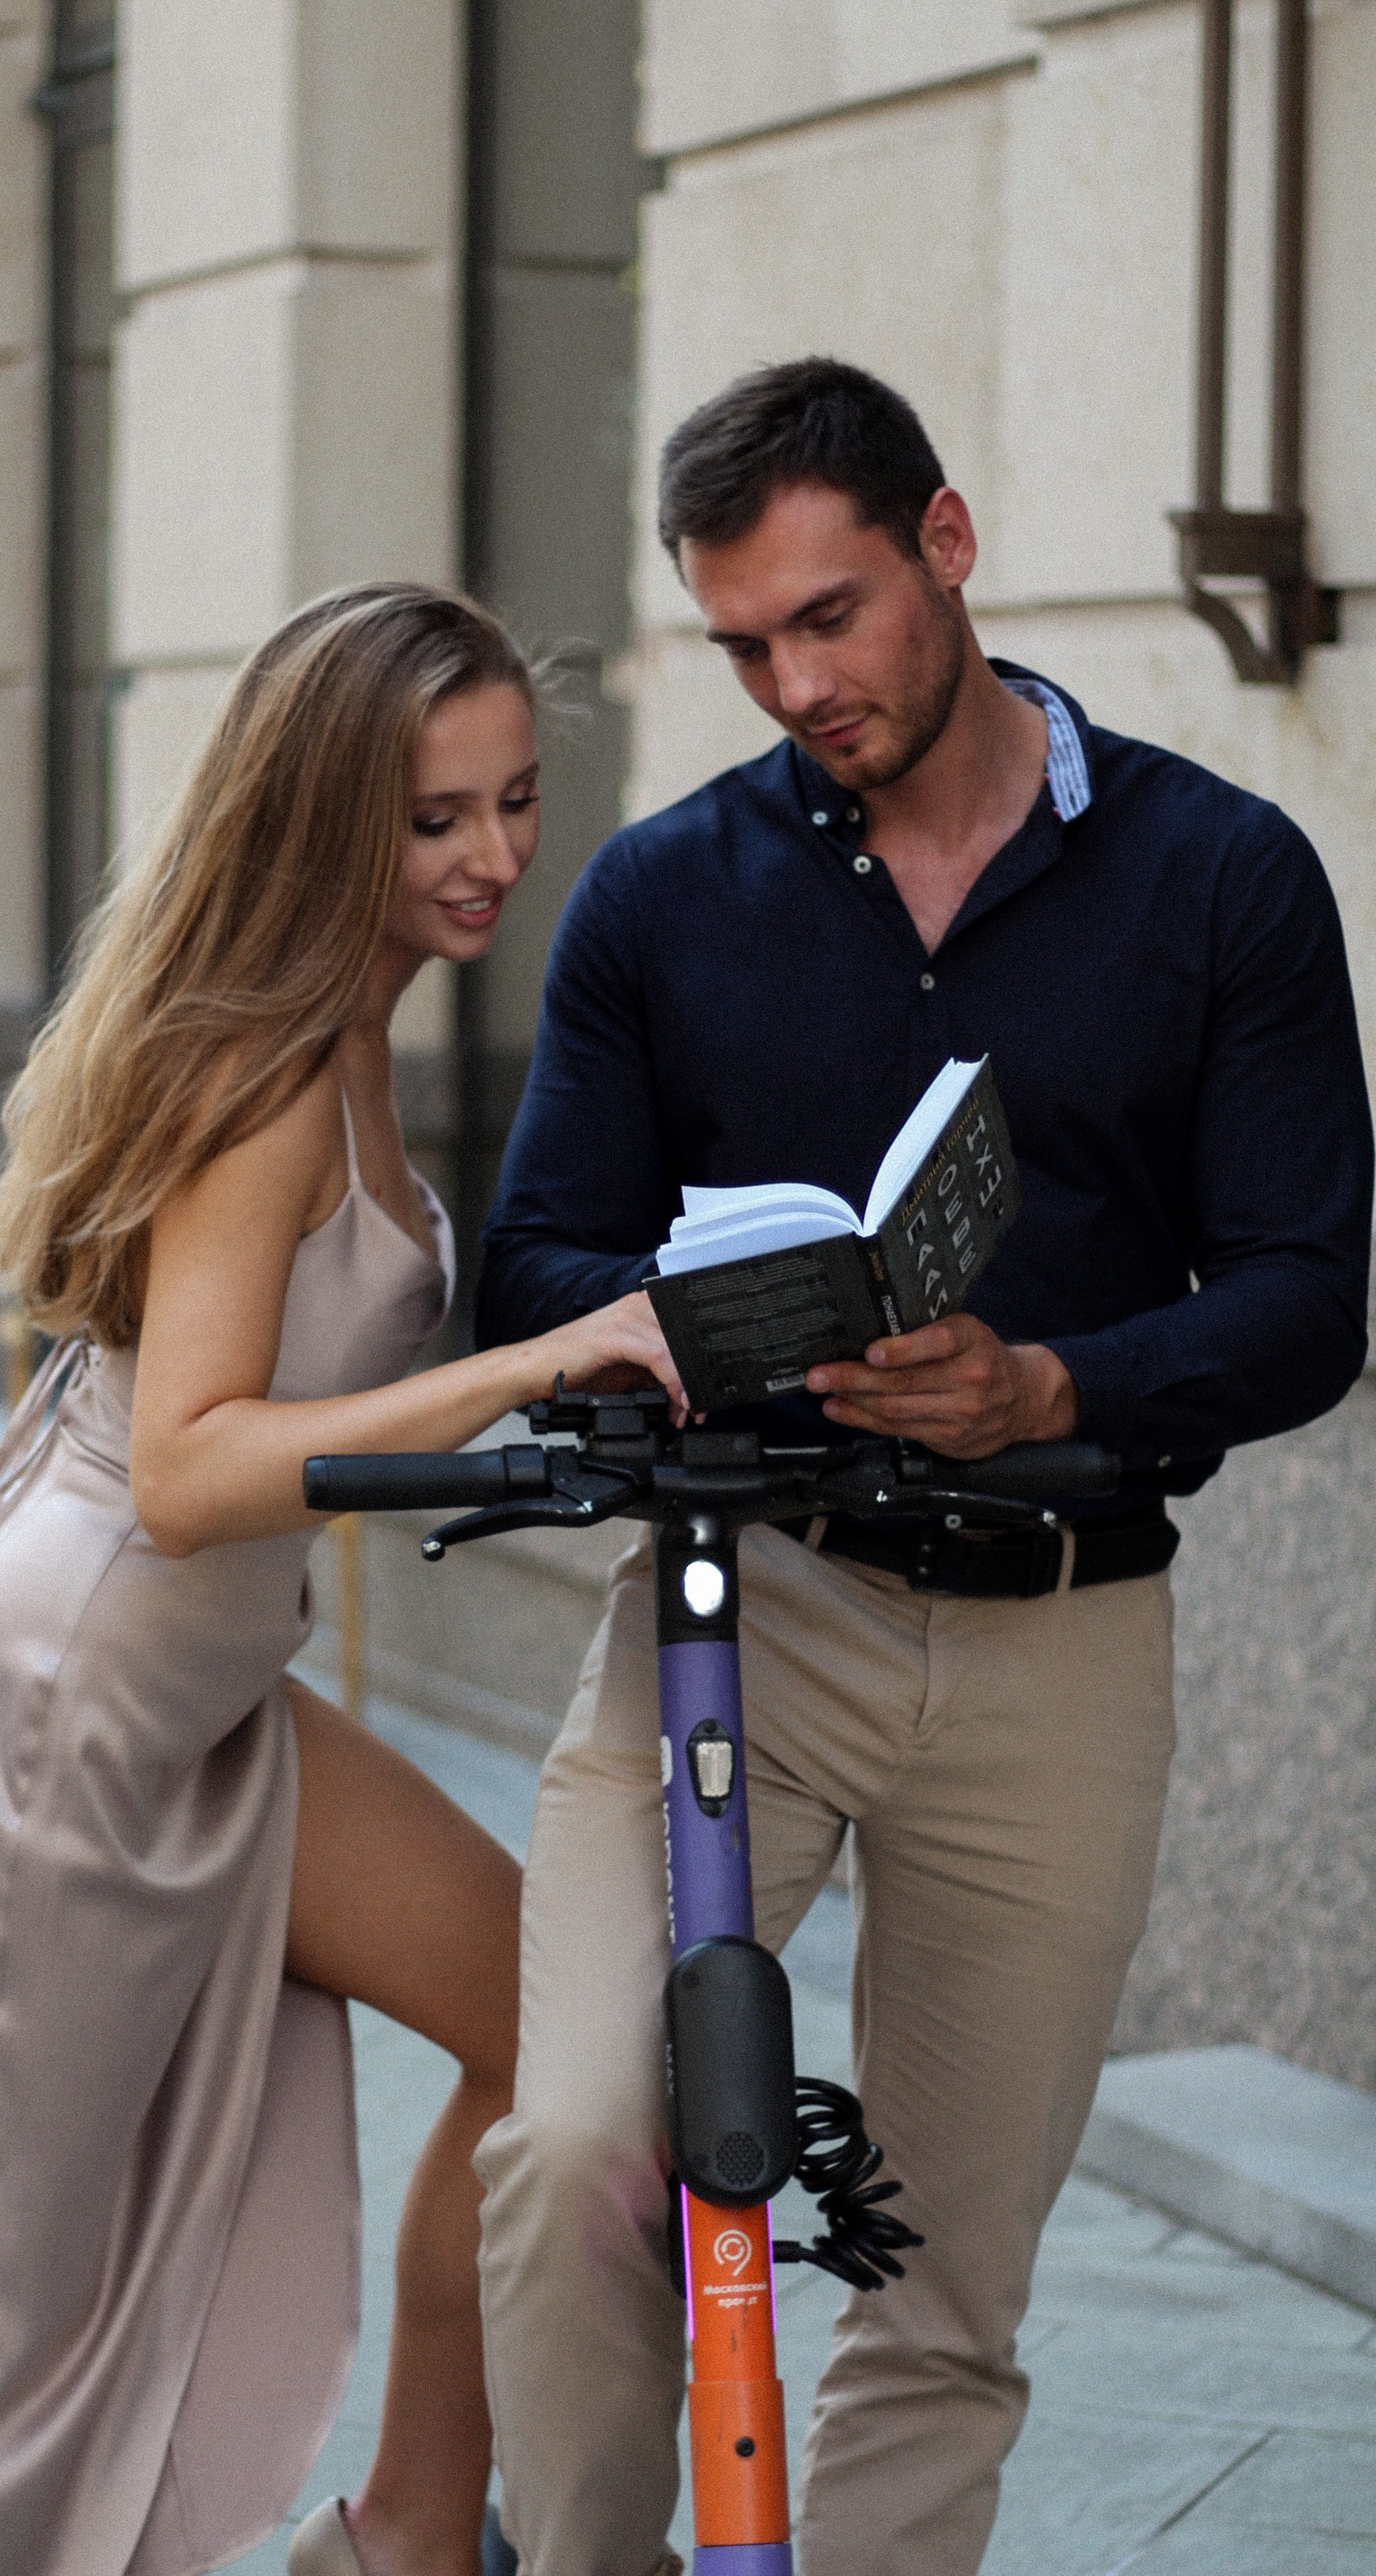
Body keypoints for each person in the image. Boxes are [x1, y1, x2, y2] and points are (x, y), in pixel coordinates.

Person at [472, 359, 1372, 2576]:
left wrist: (1050, 1384)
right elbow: (537, 1260)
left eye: (832, 615)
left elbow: (1306, 1299)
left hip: (1062, 1632)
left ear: (947, 547)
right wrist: (702, 1320)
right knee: (580, 2149)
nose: (799, 686)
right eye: (745, 646)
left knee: (943, 2285)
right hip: (740, 1611)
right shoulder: (660, 897)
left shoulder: (1222, 878)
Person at [0, 582, 684, 2576]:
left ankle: (401, 2541)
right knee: (14, 2334)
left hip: (203, 1700)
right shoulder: (272, 1082)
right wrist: (526, 1369)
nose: (494, 857)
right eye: (436, 818)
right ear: (326, 820)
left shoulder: (353, 1032)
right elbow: (194, 1466)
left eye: (516, 800)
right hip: (51, 1716)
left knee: (546, 2030)